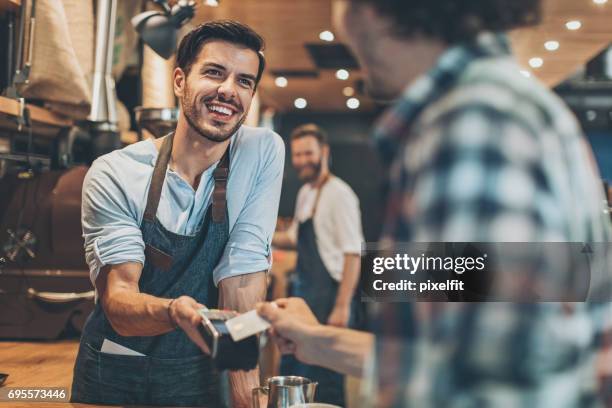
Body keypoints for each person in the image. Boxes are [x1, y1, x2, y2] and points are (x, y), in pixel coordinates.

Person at [258, 0, 612, 406]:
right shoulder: (507, 104)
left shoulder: (472, 124)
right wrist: (321, 342)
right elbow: (460, 353)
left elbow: (488, 390)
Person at [71, 20, 284, 407]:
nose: (228, 91)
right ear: (180, 80)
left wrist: (246, 397)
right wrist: (174, 312)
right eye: (214, 73)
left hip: (198, 368)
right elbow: (119, 300)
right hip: (119, 368)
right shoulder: (115, 172)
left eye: (244, 81)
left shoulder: (261, 152)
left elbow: (243, 274)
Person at [272, 124, 363, 405]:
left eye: (308, 153)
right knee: (297, 372)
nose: (301, 160)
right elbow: (293, 238)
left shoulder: (340, 194)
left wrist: (342, 306)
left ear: (324, 152)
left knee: (326, 378)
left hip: (330, 298)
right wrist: (256, 233)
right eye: (297, 155)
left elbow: (353, 253)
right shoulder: (305, 193)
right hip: (306, 294)